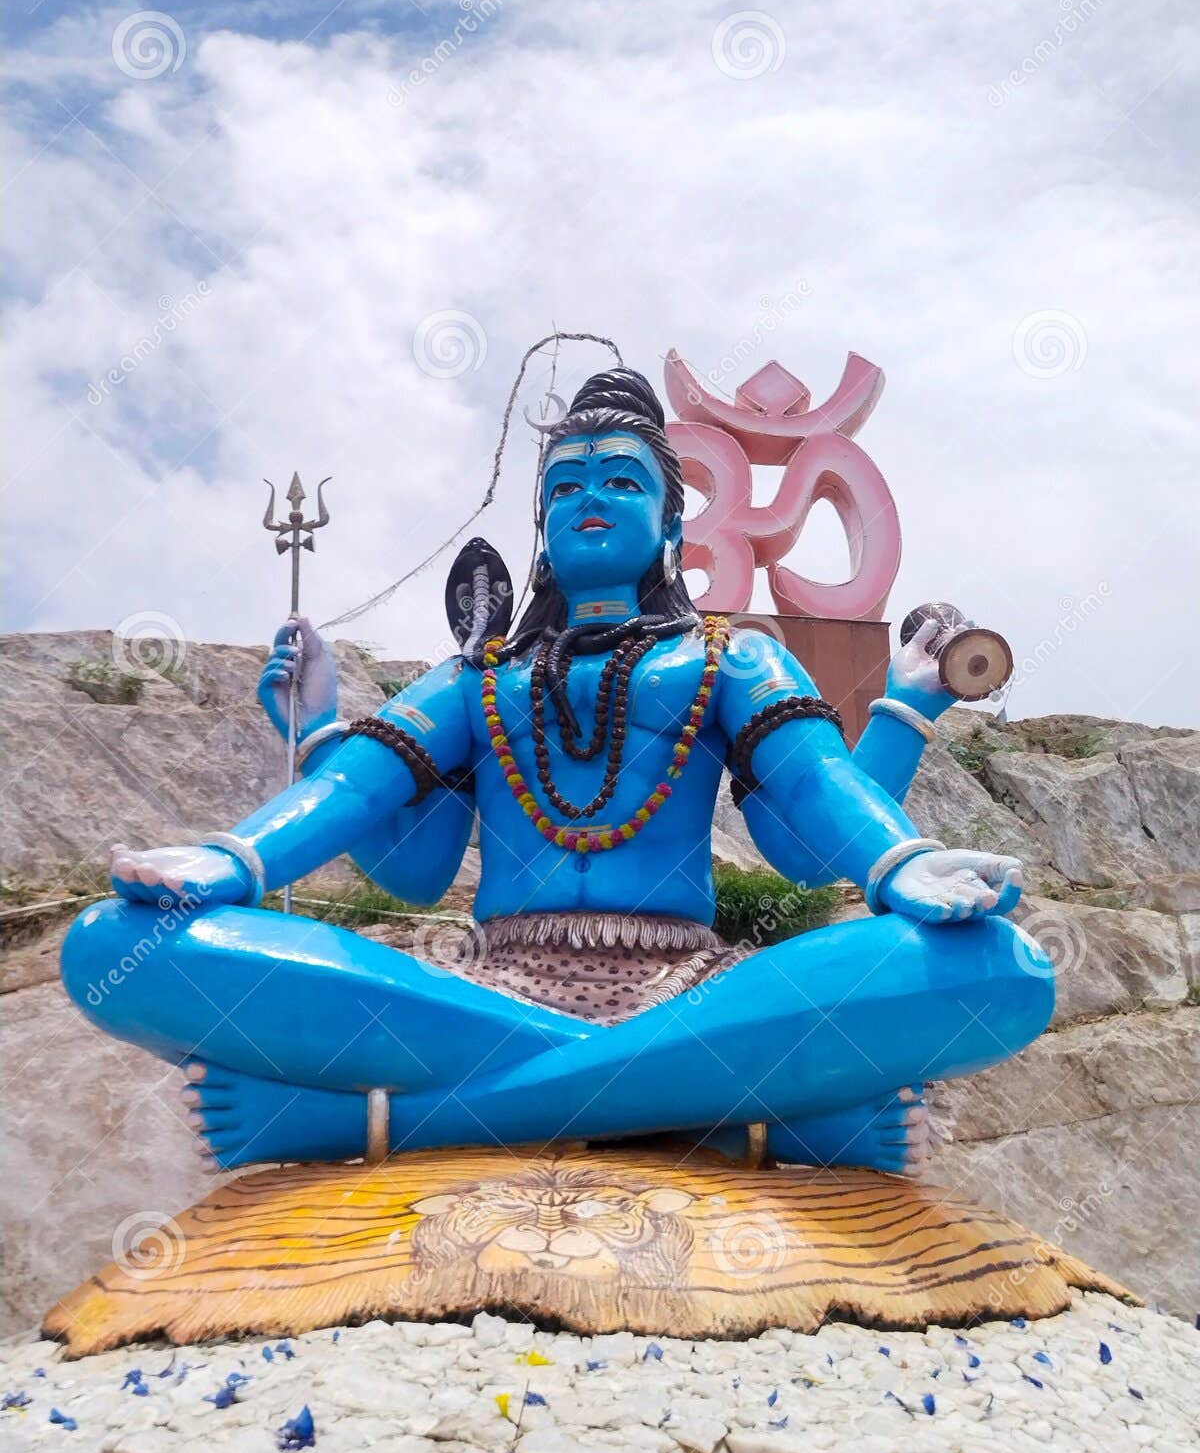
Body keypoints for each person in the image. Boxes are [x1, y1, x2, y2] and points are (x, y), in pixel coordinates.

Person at [62, 369, 1052, 1175]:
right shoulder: (479, 678)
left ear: (672, 529)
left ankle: (377, 1121)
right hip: (487, 990)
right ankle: (730, 1115)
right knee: (117, 943)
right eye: (567, 486)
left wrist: (899, 856)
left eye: (622, 481)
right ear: (542, 526)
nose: (591, 499)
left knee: (998, 967)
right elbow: (378, 821)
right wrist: (241, 848)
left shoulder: (731, 656)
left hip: (686, 988)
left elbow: (810, 800)